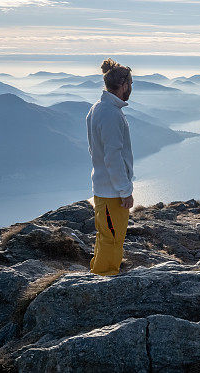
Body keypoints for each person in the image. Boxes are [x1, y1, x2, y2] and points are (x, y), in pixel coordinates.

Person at [86, 58, 134, 276]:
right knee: (113, 239)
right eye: (130, 85)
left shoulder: (97, 108)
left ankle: (98, 273)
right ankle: (104, 278)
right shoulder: (111, 113)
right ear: (123, 85)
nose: (130, 90)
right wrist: (125, 190)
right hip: (112, 192)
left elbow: (94, 149)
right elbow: (112, 157)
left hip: (103, 188)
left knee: (105, 236)